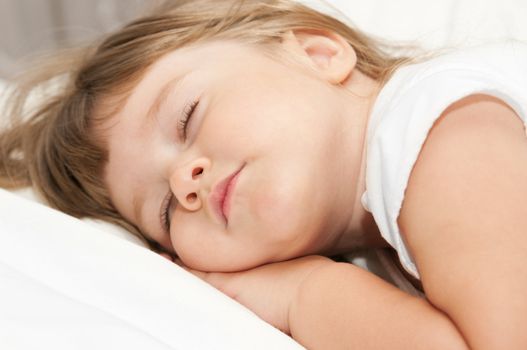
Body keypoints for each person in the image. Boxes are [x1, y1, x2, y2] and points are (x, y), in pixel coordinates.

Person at [1, 0, 526, 348]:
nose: (186, 180)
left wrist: (306, 295)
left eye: (188, 117)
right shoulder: (379, 237)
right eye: (163, 210)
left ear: (317, 53)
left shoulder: (440, 129)